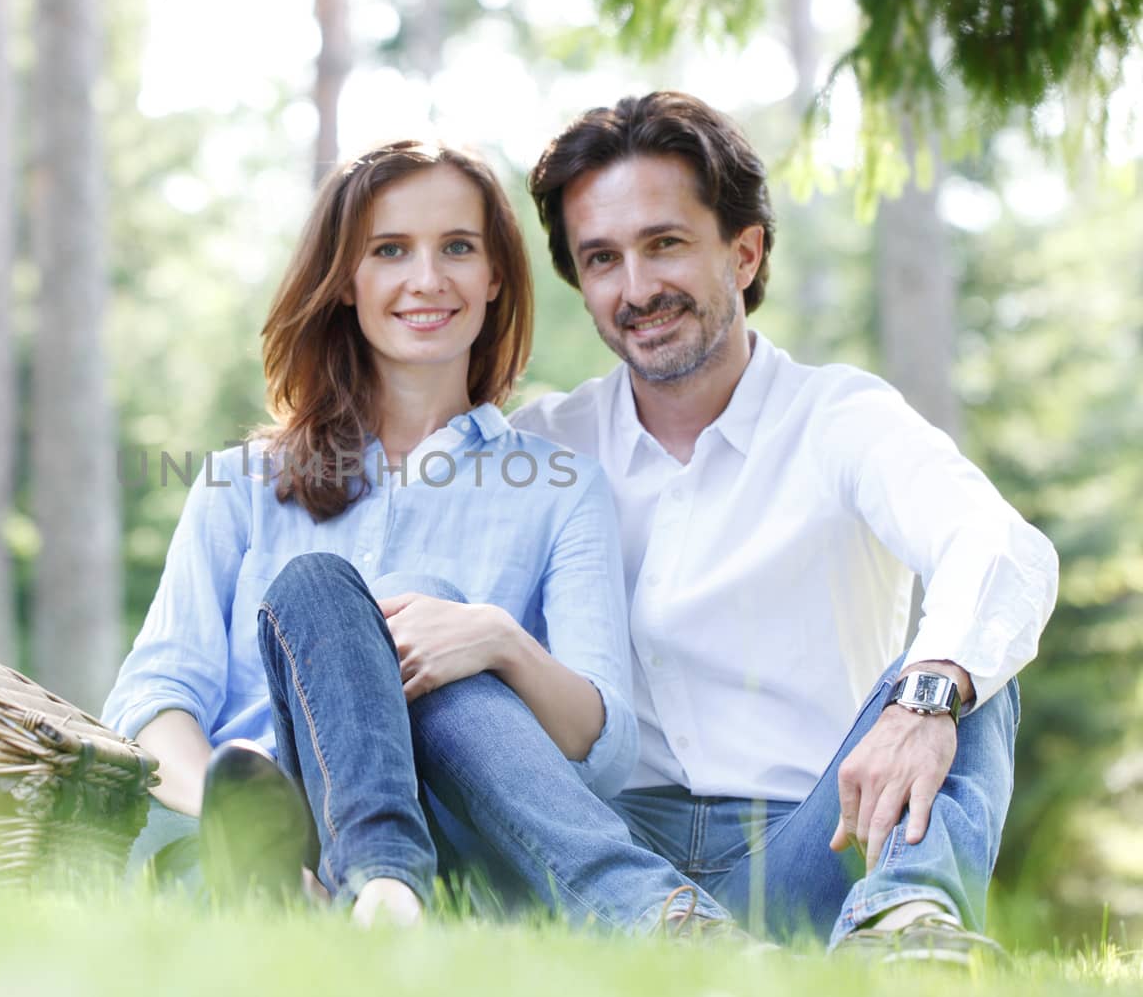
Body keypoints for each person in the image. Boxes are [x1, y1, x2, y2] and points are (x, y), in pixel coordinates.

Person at [498, 91, 1059, 959]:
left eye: (665, 244)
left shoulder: (840, 417)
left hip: (820, 841)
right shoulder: (546, 447)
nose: (637, 288)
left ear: (745, 250)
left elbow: (1000, 546)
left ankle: (904, 931)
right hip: (611, 869)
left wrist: (927, 697)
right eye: (602, 259)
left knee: (967, 664)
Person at [101, 139, 639, 925]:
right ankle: (297, 889)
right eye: (390, 251)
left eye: (457, 247)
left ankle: (376, 888)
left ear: (495, 277)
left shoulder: (561, 491)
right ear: (347, 280)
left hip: (444, 841)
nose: (428, 279)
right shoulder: (235, 485)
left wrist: (500, 641)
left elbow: (608, 752)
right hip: (234, 835)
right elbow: (153, 697)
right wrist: (235, 813)